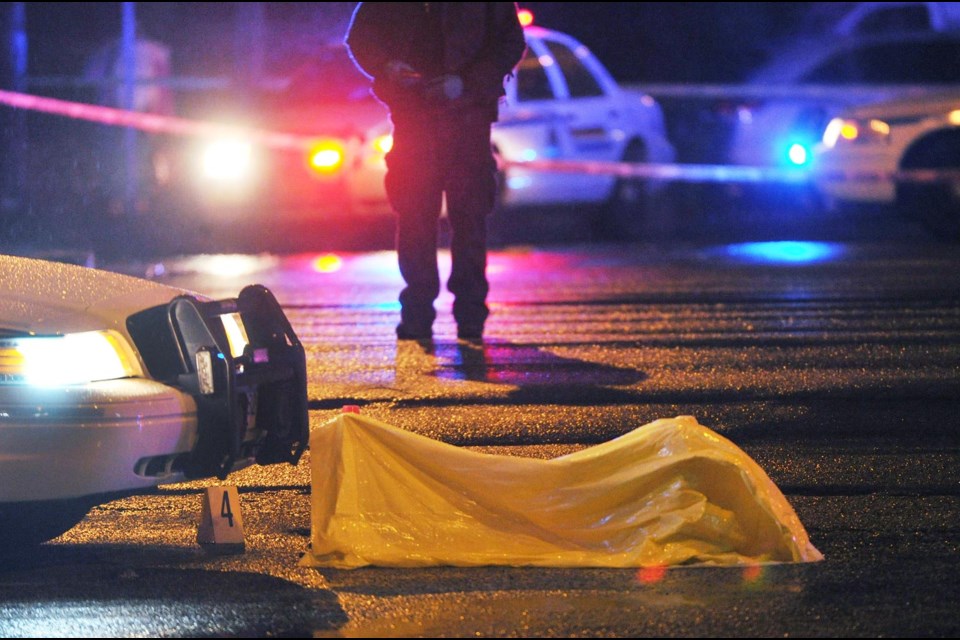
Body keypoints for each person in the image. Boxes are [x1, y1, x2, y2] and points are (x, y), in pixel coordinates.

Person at [345, 2, 527, 341]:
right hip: (417, 118)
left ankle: (465, 315)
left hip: (466, 120)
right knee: (417, 219)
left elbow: (510, 42)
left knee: (467, 219)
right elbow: (361, 39)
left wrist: (465, 83)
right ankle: (422, 314)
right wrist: (388, 66)